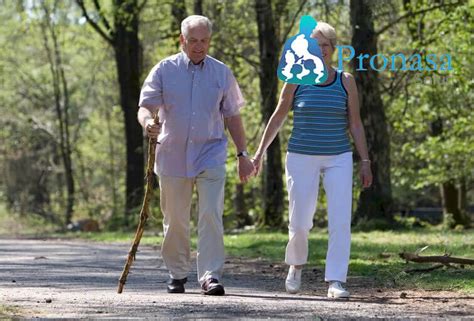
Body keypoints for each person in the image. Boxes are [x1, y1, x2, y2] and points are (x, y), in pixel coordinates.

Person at [252, 22, 372, 298]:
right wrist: (260, 152)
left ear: (331, 50)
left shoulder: (346, 81)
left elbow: (355, 124)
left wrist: (365, 161)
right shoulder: (295, 77)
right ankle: (295, 264)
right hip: (301, 155)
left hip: (338, 156)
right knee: (300, 219)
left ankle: (336, 280)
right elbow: (279, 115)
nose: (318, 50)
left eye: (324, 46)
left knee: (340, 218)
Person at [137, 15, 254, 296]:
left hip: (210, 152)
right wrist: (147, 124)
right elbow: (145, 107)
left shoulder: (221, 73)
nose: (199, 46)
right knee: (175, 218)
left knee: (211, 214)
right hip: (172, 155)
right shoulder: (164, 70)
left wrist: (242, 154)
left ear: (209, 41)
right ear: (182, 40)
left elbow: (233, 116)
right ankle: (177, 273)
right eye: (193, 41)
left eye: (204, 41)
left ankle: (210, 275)